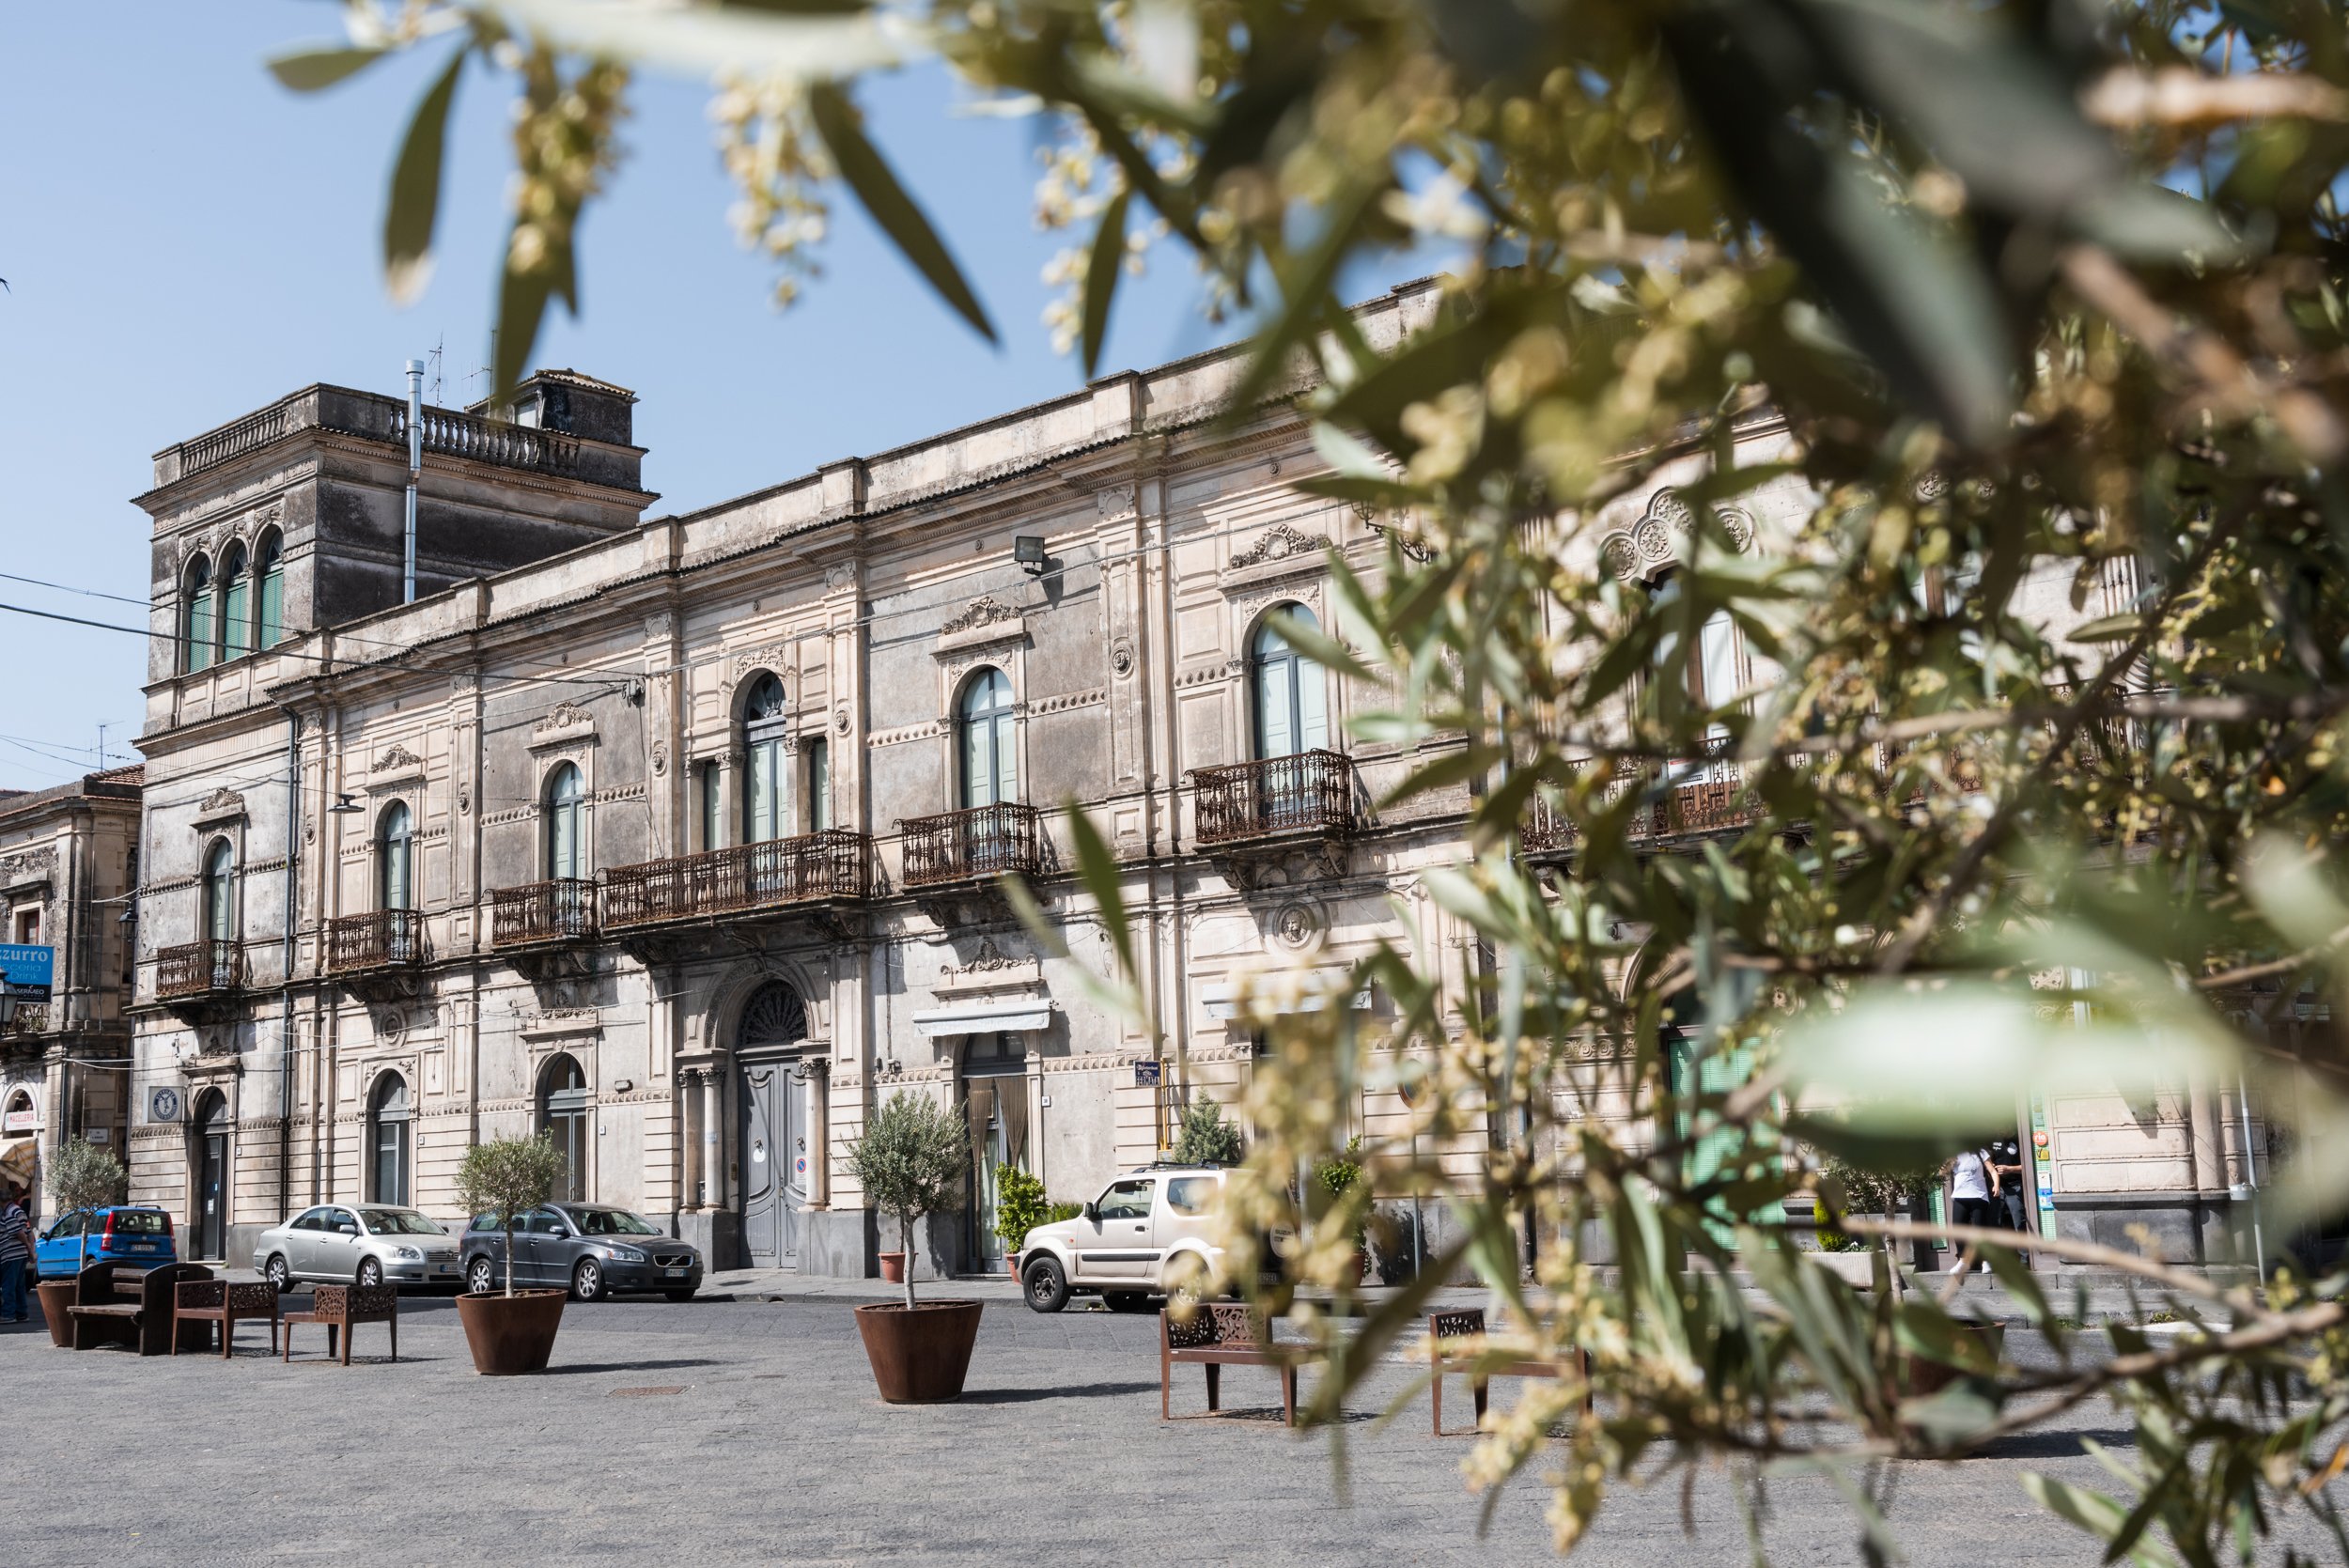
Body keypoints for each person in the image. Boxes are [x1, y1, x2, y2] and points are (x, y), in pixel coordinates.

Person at [1948, 1145, 1998, 1273]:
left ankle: (1986, 1261)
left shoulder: (1981, 1152)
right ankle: (1963, 1261)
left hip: (1978, 1195)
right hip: (1959, 1195)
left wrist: (1996, 1185)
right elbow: (1942, 1171)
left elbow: (1992, 1170)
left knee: (1980, 1229)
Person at [0, 1185, 32, 1323]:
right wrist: (29, 1250)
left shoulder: (9, 1212)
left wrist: (29, 1248)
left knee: (9, 1285)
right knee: (19, 1285)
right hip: (20, 1253)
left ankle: (8, 1314)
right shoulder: (18, 1210)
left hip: (11, 1253)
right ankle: (21, 1313)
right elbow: (28, 1232)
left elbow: (18, 1232)